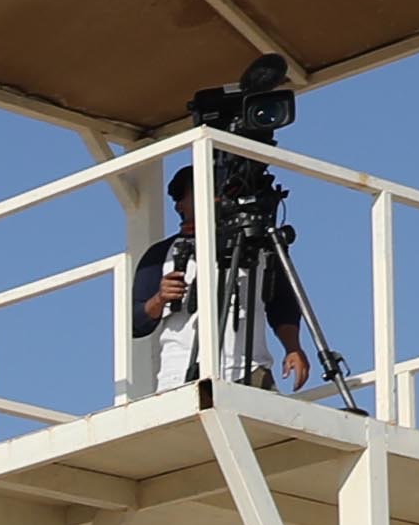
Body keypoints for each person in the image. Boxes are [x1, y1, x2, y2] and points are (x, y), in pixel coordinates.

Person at [134, 163, 314, 393]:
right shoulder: (162, 254)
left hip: (252, 370)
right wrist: (159, 299)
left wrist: (293, 348)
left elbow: (282, 304)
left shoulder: (258, 248)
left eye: (182, 196)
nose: (177, 205)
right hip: (181, 376)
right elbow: (135, 322)